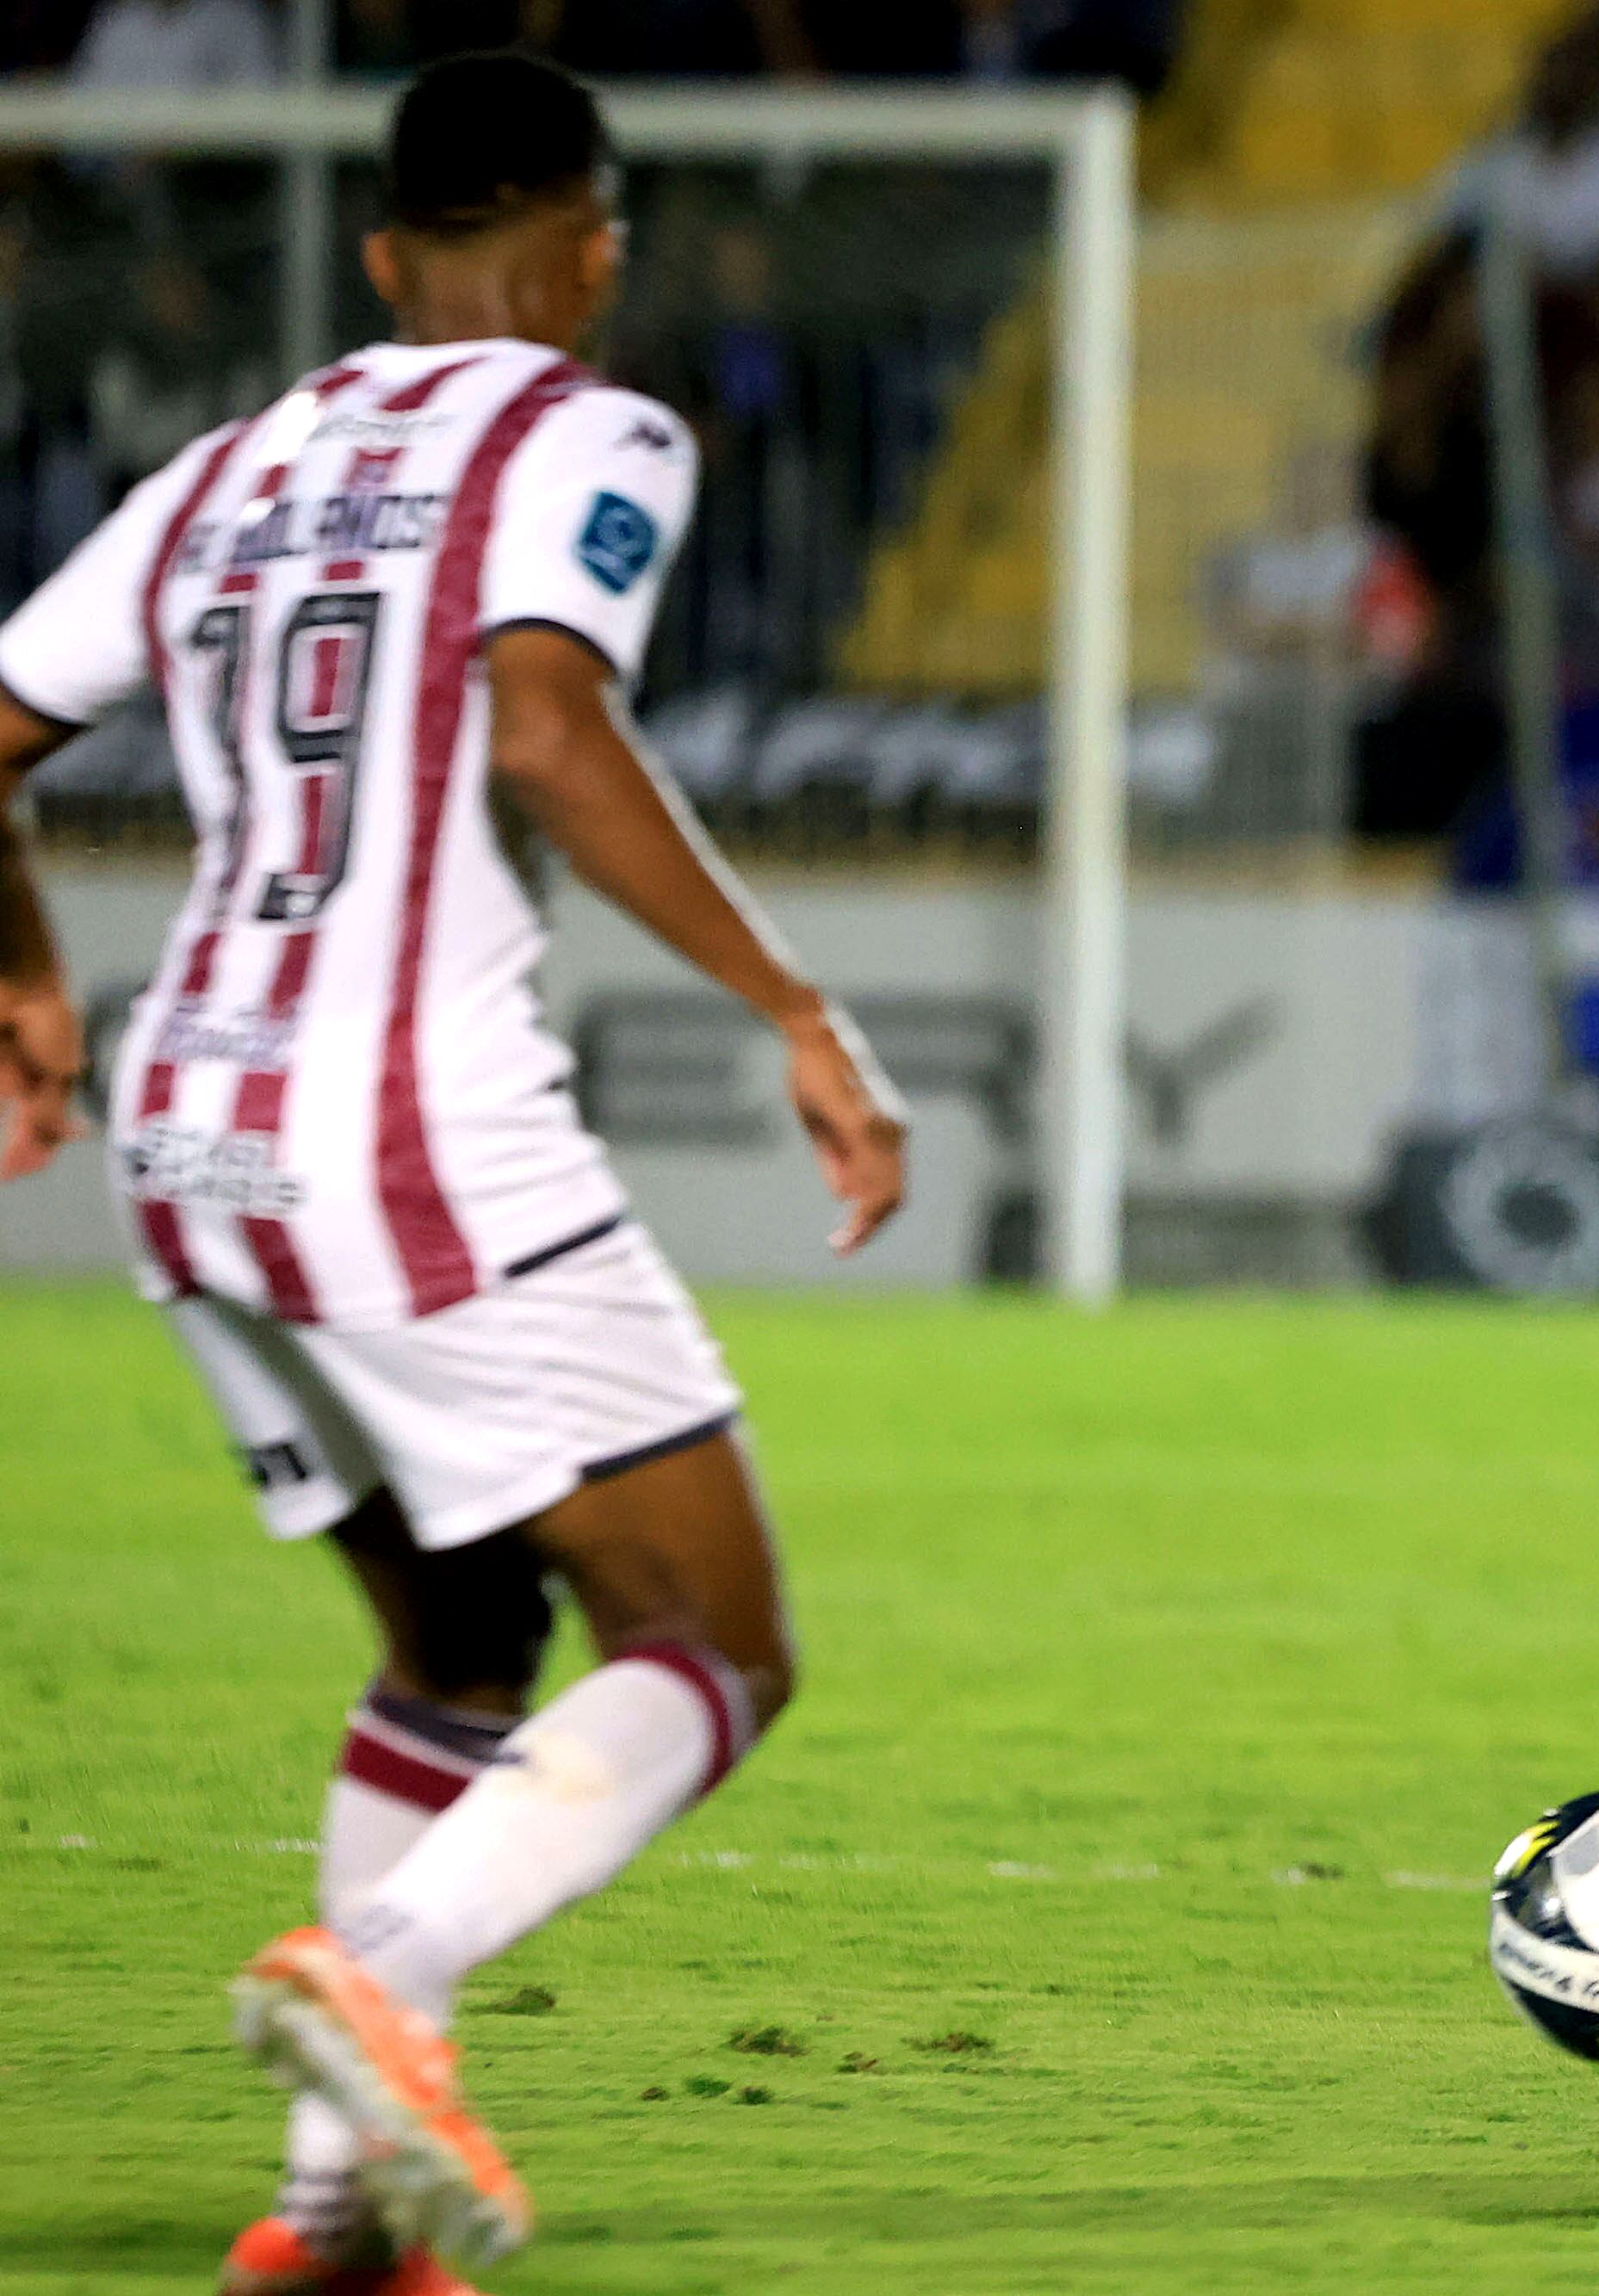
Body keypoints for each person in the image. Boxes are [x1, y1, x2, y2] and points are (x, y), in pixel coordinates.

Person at [0, 53, 911, 2294]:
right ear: (593, 248)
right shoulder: (588, 425)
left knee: (469, 1629)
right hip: (396, 1119)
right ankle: (385, 1963)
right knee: (713, 1635)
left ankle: (327, 2216)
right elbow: (546, 725)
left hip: (192, 1128)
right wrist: (798, 1009)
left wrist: (25, 982)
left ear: (390, 259)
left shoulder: (234, 463)